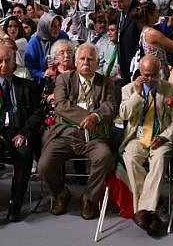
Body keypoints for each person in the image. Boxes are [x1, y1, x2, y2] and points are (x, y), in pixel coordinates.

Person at [37, 43, 116, 220]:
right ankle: (61, 193)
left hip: (94, 136)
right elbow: (61, 106)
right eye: (82, 58)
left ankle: (89, 198)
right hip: (66, 132)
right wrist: (88, 117)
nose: (86, 62)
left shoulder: (106, 83)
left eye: (90, 59)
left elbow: (110, 106)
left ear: (97, 62)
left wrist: (95, 118)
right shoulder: (63, 80)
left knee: (104, 157)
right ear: (76, 61)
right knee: (44, 166)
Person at [0, 44, 43, 222]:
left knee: (25, 153)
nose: (3, 65)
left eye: (7, 61)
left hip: (19, 132)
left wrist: (25, 133)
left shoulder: (27, 86)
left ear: (14, 63)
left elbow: (37, 113)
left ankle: (15, 202)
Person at [120, 55, 173, 235]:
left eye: (154, 75)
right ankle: (150, 211)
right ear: (140, 73)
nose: (151, 79)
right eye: (146, 75)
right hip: (137, 138)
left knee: (160, 158)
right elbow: (124, 114)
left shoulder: (170, 89)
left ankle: (142, 211)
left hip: (160, 137)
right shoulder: (128, 89)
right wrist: (138, 94)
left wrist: (164, 137)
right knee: (130, 157)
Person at [109, 0, 140, 87]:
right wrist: (120, 61)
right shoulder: (120, 12)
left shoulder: (138, 11)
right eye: (115, 2)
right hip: (124, 64)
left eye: (121, 1)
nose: (118, 5)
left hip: (136, 65)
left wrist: (135, 64)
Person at [24, 12, 69, 84]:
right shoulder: (35, 41)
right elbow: (29, 67)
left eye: (58, 26)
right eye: (53, 26)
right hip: (42, 83)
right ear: (45, 26)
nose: (57, 29)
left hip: (63, 76)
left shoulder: (63, 36)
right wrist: (42, 74)